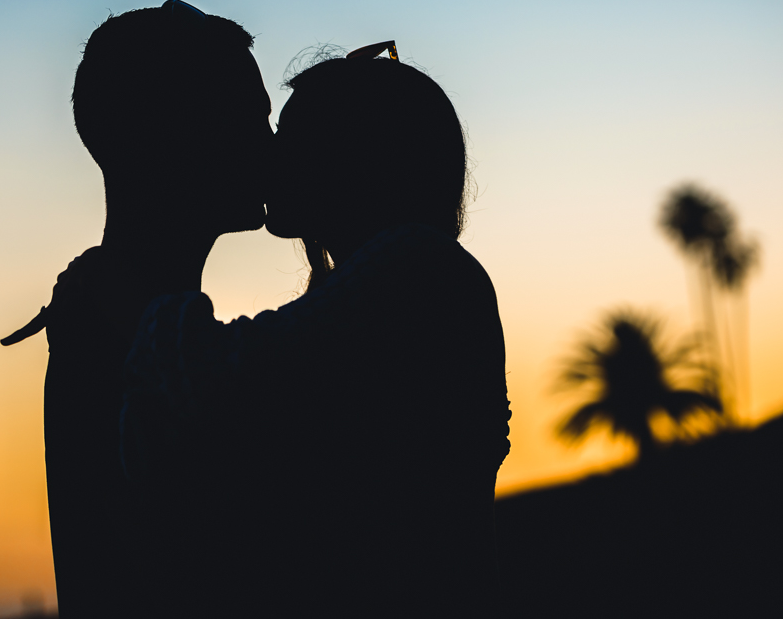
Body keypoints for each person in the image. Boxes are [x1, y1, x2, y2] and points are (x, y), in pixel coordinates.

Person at [121, 43, 511, 616]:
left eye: (292, 133)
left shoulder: (420, 267)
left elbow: (212, 374)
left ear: (358, 155)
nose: (269, 152)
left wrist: (123, 297)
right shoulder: (399, 282)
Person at [1, 0, 273, 617]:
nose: (271, 141)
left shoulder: (130, 318)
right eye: (251, 118)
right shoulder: (118, 340)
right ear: (179, 136)